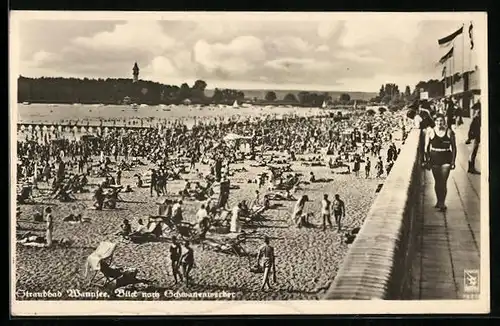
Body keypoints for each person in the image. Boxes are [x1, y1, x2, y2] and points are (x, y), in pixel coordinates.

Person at [424, 113, 457, 211]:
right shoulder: (430, 132)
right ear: (435, 122)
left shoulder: (449, 132)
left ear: (444, 121)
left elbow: (454, 148)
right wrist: (427, 160)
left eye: (441, 121)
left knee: (443, 181)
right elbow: (426, 148)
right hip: (434, 158)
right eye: (437, 121)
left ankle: (442, 203)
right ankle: (438, 201)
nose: (439, 123)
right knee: (437, 182)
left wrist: (453, 161)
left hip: (446, 157)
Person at [466, 100, 481, 174]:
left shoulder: (476, 117)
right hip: (476, 136)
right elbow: (471, 128)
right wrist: (469, 137)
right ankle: (471, 168)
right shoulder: (476, 117)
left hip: (476, 136)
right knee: (473, 151)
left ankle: (470, 168)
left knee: (473, 151)